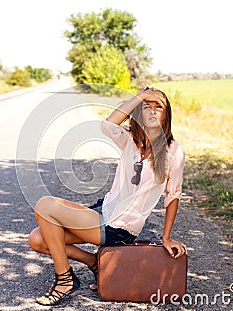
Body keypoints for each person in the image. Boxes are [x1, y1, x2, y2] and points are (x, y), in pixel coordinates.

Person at [28, 87, 187, 306]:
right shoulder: (130, 140)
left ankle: (64, 280)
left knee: (45, 205)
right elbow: (108, 124)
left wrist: (166, 237)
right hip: (103, 211)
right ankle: (95, 262)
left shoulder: (174, 151)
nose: (151, 111)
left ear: (166, 115)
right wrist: (139, 96)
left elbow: (173, 195)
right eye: (146, 107)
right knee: (37, 240)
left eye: (157, 107)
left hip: (120, 226)